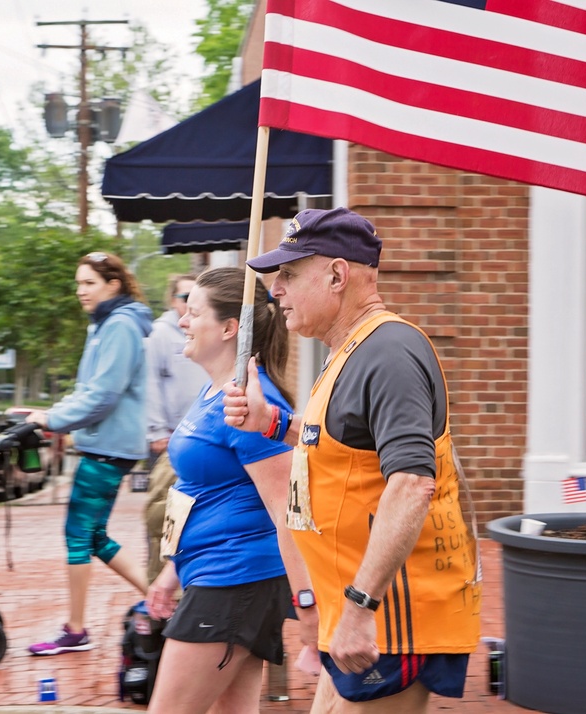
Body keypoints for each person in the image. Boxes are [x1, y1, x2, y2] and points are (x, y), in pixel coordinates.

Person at [222, 208, 481, 713]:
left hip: (393, 618)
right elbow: (341, 449)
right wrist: (271, 423)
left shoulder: (389, 352)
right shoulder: (351, 351)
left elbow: (410, 483)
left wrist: (363, 606)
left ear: (338, 275)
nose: (277, 291)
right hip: (361, 612)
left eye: (290, 275)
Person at [142, 267, 316, 714]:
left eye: (193, 310)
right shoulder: (214, 393)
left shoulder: (253, 407)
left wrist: (308, 603)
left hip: (235, 577)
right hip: (210, 572)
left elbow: (286, 511)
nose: (181, 318)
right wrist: (172, 568)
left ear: (228, 327)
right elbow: (194, 488)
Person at [24, 251, 153, 656]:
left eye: (89, 283)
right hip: (106, 442)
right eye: (78, 283)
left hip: (108, 445)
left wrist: (51, 419)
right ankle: (168, 597)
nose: (80, 291)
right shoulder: (105, 324)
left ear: (113, 284)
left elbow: (103, 395)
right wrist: (51, 414)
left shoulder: (118, 325)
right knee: (93, 536)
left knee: (77, 536)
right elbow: (88, 390)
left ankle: (76, 629)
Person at [143, 274, 208, 582]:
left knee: (192, 520)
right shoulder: (160, 334)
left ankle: (182, 587)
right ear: (172, 300)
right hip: (169, 441)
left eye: (194, 298)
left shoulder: (205, 331)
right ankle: (157, 592)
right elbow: (150, 382)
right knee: (162, 519)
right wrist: (156, 431)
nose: (187, 304)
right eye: (183, 297)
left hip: (201, 440)